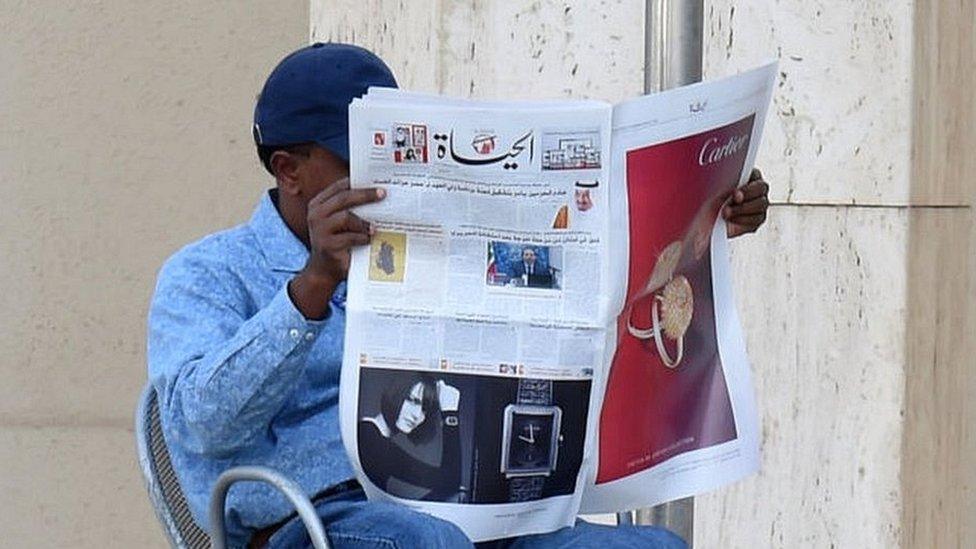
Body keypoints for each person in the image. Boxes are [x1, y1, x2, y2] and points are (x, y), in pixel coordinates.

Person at [148, 42, 769, 549]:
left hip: (478, 505)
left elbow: (590, 282)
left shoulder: (430, 229)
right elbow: (199, 425)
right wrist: (312, 286)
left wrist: (702, 220)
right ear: (289, 171)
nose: (385, 176)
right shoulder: (207, 273)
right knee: (427, 544)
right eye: (361, 157)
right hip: (315, 523)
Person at [358, 375, 463, 502]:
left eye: (424, 410)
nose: (417, 415)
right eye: (412, 400)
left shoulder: (369, 433)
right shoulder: (370, 439)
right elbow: (450, 481)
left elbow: (449, 483)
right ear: (396, 392)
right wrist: (450, 413)